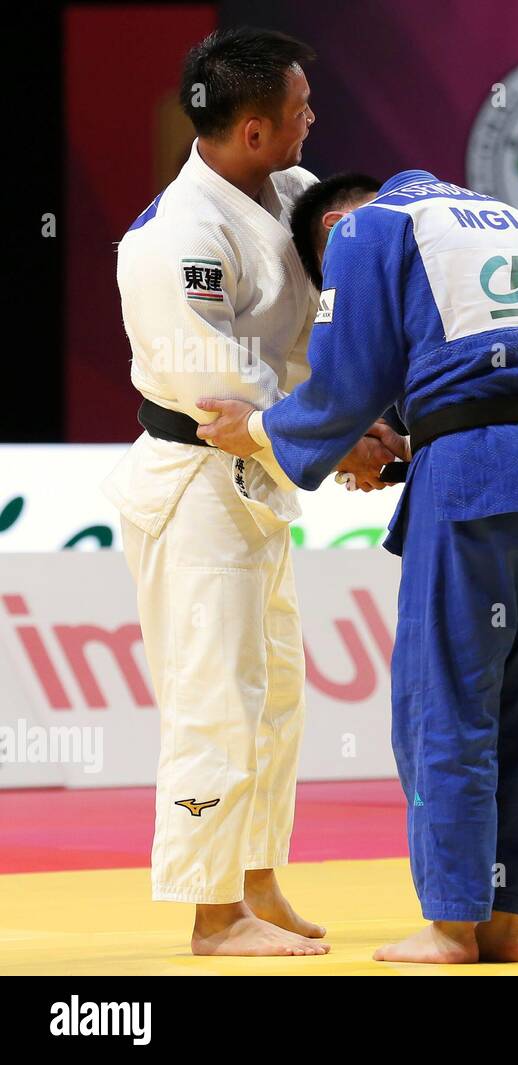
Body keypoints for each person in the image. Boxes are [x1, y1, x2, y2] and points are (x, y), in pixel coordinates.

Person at [196, 170, 518, 964]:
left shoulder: (363, 233)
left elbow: (343, 385)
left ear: (331, 231)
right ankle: (505, 918)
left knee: (446, 701)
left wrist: (258, 427)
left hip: (478, 483)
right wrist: (417, 444)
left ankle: (452, 922)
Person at [101, 28, 400, 958]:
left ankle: (258, 882)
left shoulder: (296, 192)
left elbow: (325, 329)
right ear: (257, 129)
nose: (317, 117)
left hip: (262, 479)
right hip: (195, 480)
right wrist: (340, 440)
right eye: (303, 108)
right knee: (213, 699)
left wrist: (366, 420)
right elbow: (221, 388)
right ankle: (211, 911)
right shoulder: (172, 240)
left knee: (273, 699)